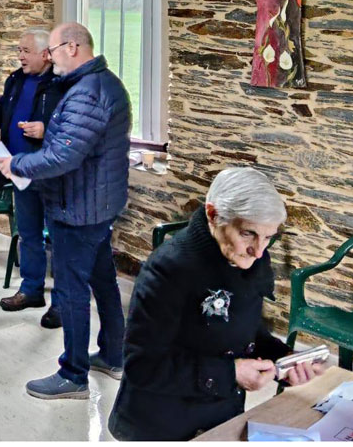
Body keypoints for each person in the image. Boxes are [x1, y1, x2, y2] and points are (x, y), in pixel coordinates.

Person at [109, 168, 325, 440]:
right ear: (213, 214)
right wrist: (230, 373)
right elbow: (142, 365)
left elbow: (246, 329)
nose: (258, 251)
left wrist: (283, 361)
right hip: (161, 422)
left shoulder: (252, 258)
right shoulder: (170, 269)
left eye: (269, 237)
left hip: (219, 414)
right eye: (248, 233)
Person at [0, 22, 130, 400]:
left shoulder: (87, 93)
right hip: (95, 205)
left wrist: (17, 165)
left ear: (71, 47)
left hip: (78, 207)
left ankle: (73, 374)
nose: (50, 59)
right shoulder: (101, 83)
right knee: (103, 280)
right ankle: (113, 353)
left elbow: (65, 154)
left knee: (71, 291)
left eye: (52, 51)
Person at [0, 29, 67, 326]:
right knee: (28, 234)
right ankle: (31, 290)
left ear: (45, 54)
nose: (20, 56)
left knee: (60, 238)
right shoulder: (15, 79)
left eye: (26, 51)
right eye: (19, 50)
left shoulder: (62, 84)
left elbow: (73, 128)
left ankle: (63, 303)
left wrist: (45, 130)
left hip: (51, 173)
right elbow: (2, 117)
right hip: (21, 171)